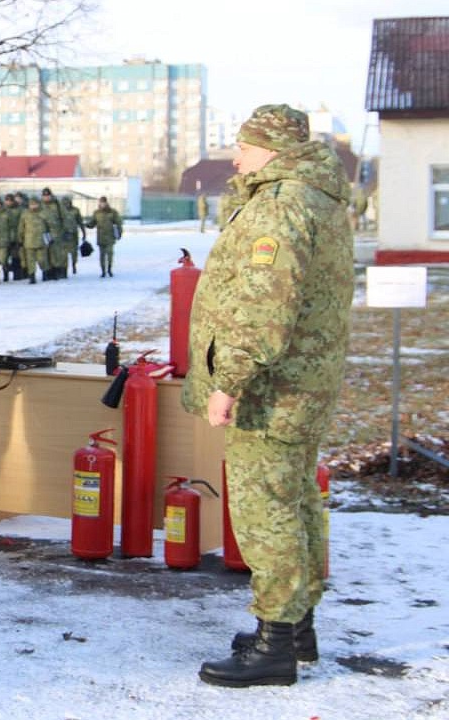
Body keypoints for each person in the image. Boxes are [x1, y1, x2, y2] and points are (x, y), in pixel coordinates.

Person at [183, 104, 353, 688]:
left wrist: (229, 381)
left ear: (273, 151)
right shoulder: (318, 197)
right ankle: (297, 625)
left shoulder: (281, 204)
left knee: (266, 510)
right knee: (298, 500)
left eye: (246, 147)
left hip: (272, 388)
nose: (237, 157)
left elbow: (263, 306)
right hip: (303, 382)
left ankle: (274, 644)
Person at [85, 196, 123, 277]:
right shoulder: (97, 213)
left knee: (109, 254)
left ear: (106, 203)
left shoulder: (112, 212)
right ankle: (103, 271)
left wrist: (119, 233)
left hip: (110, 237)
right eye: (101, 202)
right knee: (102, 255)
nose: (102, 204)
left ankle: (109, 269)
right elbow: (93, 223)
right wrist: (87, 225)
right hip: (101, 237)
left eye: (103, 202)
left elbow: (118, 223)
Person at [17, 197, 52, 284]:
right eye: (31, 204)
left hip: (41, 241)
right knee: (30, 261)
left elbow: (49, 227)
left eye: (35, 204)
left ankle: (45, 273)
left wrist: (49, 239)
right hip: (29, 241)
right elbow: (21, 227)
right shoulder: (25, 214)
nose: (33, 206)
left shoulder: (44, 213)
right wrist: (20, 239)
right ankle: (32, 276)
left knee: (42, 260)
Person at [38, 187, 67, 280]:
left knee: (56, 254)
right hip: (42, 233)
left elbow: (65, 217)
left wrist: (66, 230)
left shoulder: (57, 205)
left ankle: (56, 272)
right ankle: (46, 273)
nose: (46, 197)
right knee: (44, 255)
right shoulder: (39, 205)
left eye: (48, 196)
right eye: (44, 196)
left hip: (56, 232)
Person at [60, 196, 85, 274]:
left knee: (74, 252)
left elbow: (80, 222)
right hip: (64, 234)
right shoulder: (60, 211)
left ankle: (74, 265)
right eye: (64, 203)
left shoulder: (75, 210)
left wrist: (84, 232)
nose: (66, 204)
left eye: (67, 203)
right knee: (64, 253)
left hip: (73, 234)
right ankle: (65, 269)